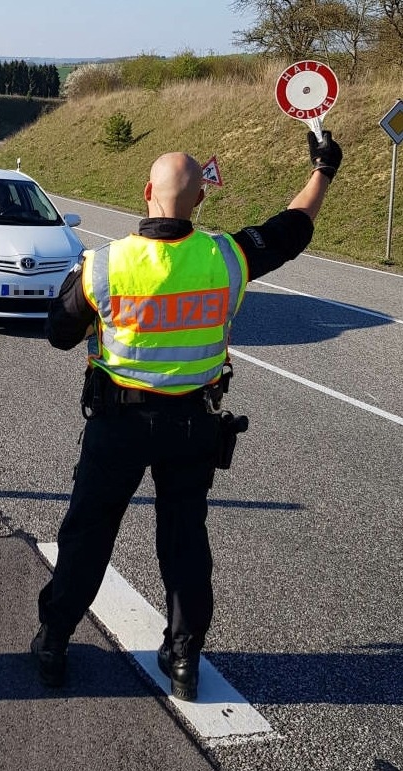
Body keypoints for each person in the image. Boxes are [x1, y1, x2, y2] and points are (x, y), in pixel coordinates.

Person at [31, 131, 343, 701]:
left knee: (89, 535)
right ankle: (183, 661)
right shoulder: (227, 257)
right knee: (183, 542)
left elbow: (57, 333)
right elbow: (291, 231)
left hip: (117, 425)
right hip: (193, 425)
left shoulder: (104, 266)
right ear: (200, 200)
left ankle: (53, 640)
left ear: (146, 191)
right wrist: (322, 170)